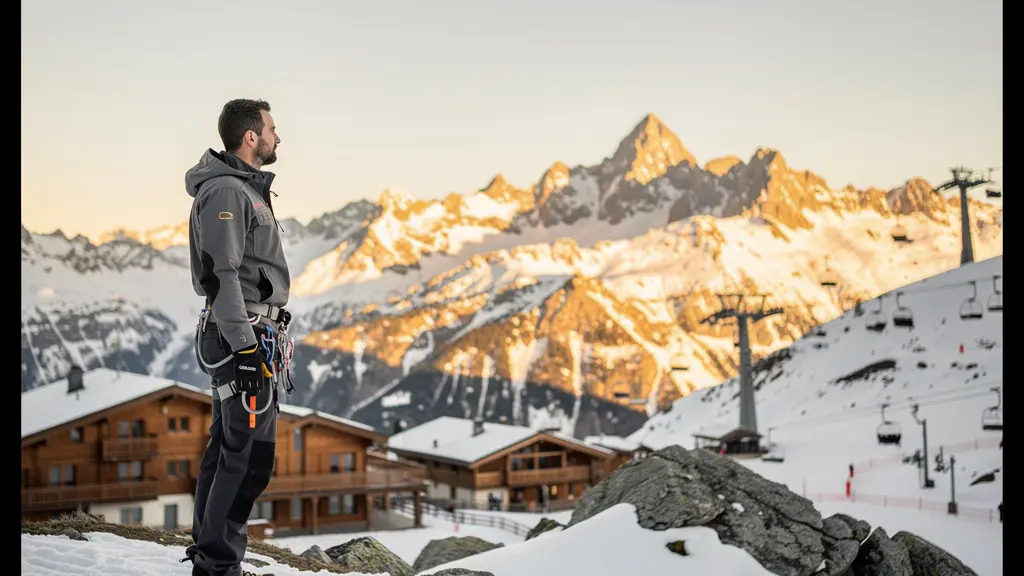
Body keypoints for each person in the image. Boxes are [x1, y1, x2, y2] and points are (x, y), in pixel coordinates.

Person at [181, 99, 292, 576]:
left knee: (229, 448)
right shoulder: (228, 192)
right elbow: (221, 275)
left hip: (246, 331)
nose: (277, 137)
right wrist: (246, 348)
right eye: (271, 128)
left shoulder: (243, 190)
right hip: (240, 335)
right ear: (251, 137)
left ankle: (210, 556)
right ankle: (218, 566)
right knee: (247, 458)